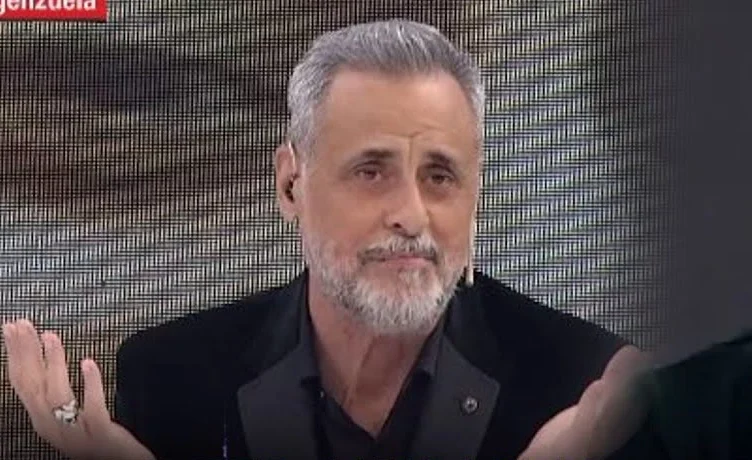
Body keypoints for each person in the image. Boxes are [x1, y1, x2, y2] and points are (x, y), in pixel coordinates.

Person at [2, 20, 647, 460]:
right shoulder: (172, 376)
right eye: (371, 171)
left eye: (440, 176)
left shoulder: (579, 382)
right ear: (292, 186)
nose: (411, 215)